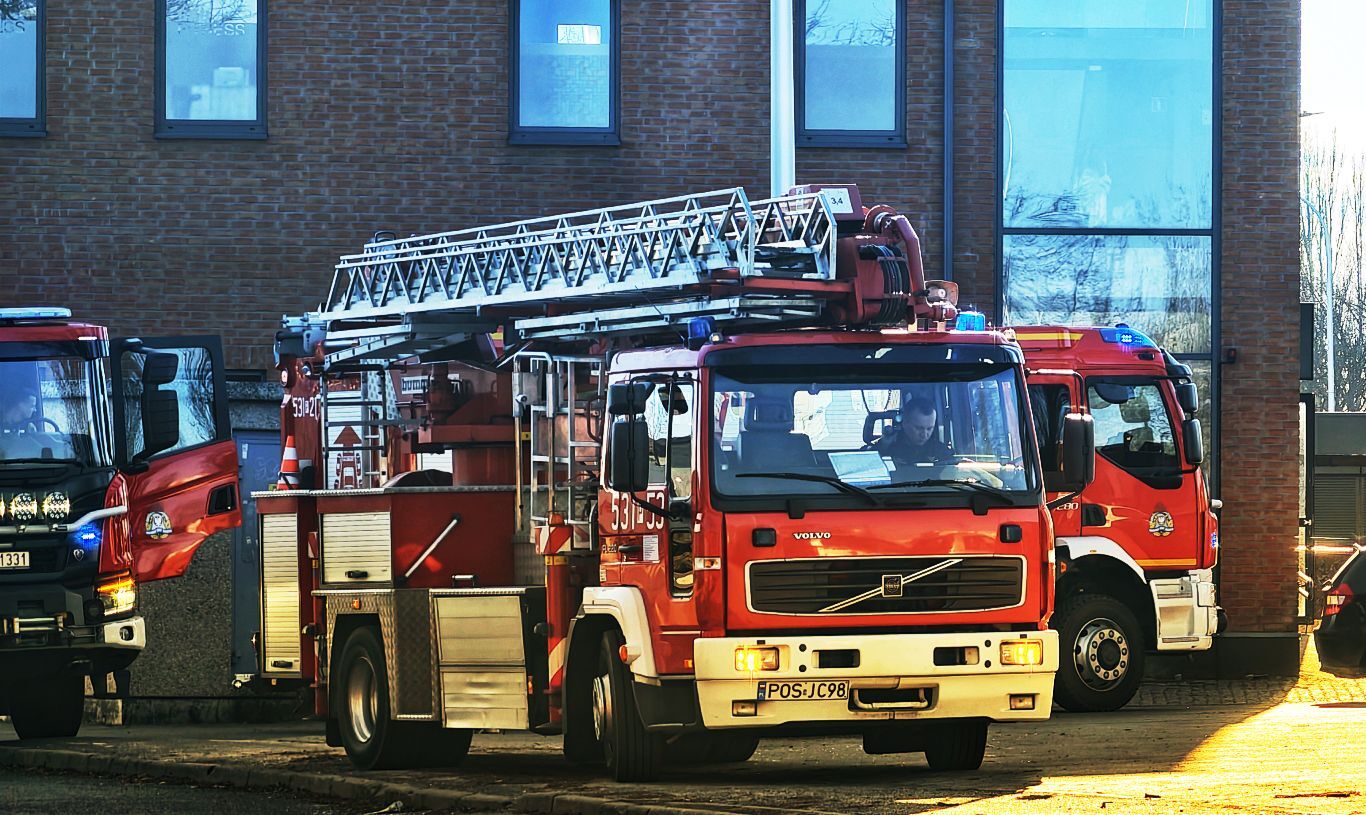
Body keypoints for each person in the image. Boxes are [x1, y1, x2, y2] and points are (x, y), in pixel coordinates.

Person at [874, 396, 952, 464]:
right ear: (905, 423)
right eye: (918, 428)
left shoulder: (940, 451)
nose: (924, 435)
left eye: (929, 428)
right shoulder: (887, 447)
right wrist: (883, 447)